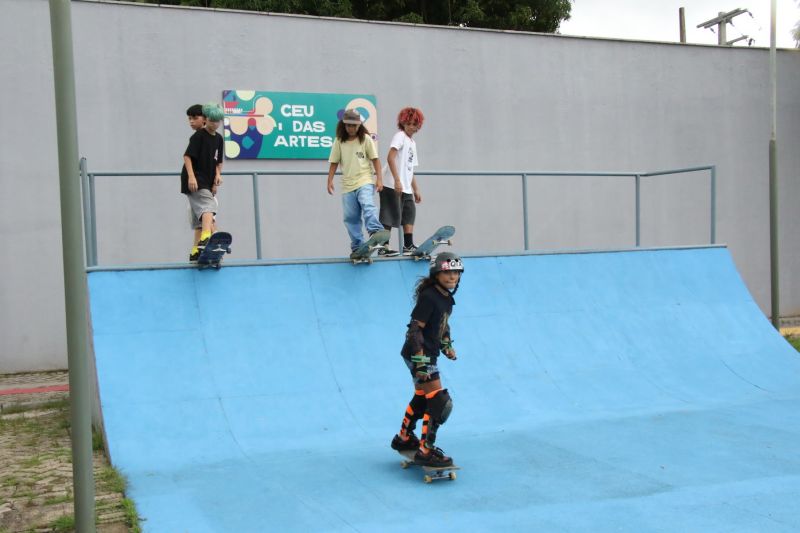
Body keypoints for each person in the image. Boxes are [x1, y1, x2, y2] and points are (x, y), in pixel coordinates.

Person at [390, 251, 463, 467]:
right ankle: (425, 450)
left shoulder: (446, 298)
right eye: (448, 273)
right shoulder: (430, 296)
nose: (452, 277)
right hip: (419, 354)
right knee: (440, 402)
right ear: (436, 273)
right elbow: (414, 330)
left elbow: (442, 323)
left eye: (456, 273)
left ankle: (403, 438)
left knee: (423, 398)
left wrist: (446, 344)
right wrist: (420, 361)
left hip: (424, 354)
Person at [326, 109, 385, 258]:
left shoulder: (365, 139)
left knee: (367, 204)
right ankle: (358, 245)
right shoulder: (339, 141)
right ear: (343, 125)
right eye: (348, 126)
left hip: (364, 180)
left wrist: (379, 179)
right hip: (347, 185)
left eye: (354, 126)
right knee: (350, 217)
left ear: (359, 126)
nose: (351, 129)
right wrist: (330, 180)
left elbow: (375, 160)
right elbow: (334, 161)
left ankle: (375, 231)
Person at [181, 102, 224, 261]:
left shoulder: (218, 139)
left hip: (207, 180)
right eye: (212, 121)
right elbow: (187, 156)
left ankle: (195, 252)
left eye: (218, 121)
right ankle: (208, 238)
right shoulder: (198, 136)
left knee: (200, 220)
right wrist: (191, 177)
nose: (215, 124)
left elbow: (218, 161)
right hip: (196, 180)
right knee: (209, 208)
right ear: (206, 120)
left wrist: (217, 177)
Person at [381, 107, 424, 256]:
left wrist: (416, 189)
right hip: (391, 184)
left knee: (409, 213)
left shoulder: (412, 143)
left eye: (414, 124)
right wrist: (397, 180)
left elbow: (410, 168)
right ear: (403, 122)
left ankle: (408, 245)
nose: (412, 127)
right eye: (409, 123)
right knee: (389, 215)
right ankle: (383, 246)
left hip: (406, 187)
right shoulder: (399, 136)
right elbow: (390, 157)